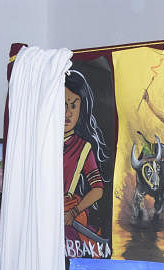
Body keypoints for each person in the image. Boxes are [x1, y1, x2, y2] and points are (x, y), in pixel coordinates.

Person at [64, 69, 110, 258]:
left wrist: (74, 212)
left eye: (73, 106)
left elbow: (98, 189)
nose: (67, 113)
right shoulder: (41, 144)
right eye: (61, 105)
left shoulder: (83, 147)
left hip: (70, 217)